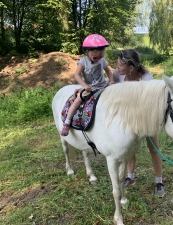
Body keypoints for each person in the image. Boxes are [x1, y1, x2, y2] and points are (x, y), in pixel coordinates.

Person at [113, 49, 165, 197]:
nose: (116, 67)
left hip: (146, 116)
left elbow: (150, 101)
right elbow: (108, 84)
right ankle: (130, 176)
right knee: (129, 147)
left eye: (119, 65)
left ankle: (158, 181)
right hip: (128, 117)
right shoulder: (118, 74)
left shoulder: (146, 78)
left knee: (154, 148)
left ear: (130, 68)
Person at [60, 34, 115, 136]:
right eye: (95, 57)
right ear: (88, 51)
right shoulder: (83, 61)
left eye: (100, 56)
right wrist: (84, 85)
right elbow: (77, 75)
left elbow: (109, 72)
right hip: (90, 87)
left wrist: (111, 81)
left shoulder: (102, 61)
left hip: (102, 85)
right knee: (77, 100)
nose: (97, 59)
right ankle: (67, 123)